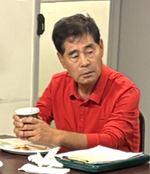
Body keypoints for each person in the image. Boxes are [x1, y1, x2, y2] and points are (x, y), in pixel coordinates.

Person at [15, 14, 140, 153]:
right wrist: (27, 127)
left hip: (114, 172)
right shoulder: (58, 83)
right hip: (66, 169)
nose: (85, 62)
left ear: (101, 47)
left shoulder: (125, 90)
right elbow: (41, 117)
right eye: (74, 56)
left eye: (90, 52)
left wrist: (56, 136)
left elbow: (111, 141)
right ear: (61, 60)